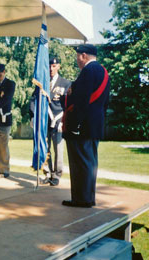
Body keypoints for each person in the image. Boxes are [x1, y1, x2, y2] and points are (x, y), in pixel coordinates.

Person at [62, 44, 110, 208]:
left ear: (83, 55)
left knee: (80, 164)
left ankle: (82, 199)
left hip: (82, 126)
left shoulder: (88, 71)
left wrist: (74, 124)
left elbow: (82, 101)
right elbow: (104, 103)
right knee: (90, 163)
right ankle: (88, 197)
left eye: (77, 56)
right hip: (94, 125)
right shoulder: (103, 72)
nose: (77, 60)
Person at [29, 57, 71, 186]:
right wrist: (33, 117)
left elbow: (69, 104)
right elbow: (33, 101)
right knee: (45, 148)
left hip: (58, 121)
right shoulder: (42, 83)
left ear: (58, 66)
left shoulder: (66, 83)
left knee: (58, 149)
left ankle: (57, 175)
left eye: (54, 66)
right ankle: (47, 173)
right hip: (44, 121)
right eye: (50, 66)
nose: (51, 69)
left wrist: (64, 121)